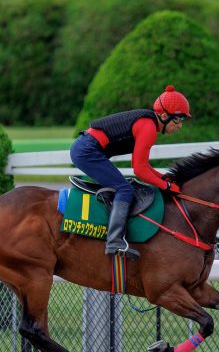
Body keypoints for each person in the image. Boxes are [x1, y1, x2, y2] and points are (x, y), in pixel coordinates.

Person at [70, 85, 191, 258]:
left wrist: (164, 178)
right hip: (87, 150)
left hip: (86, 148)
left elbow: (144, 166)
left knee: (124, 186)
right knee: (124, 189)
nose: (179, 126)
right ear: (164, 116)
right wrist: (165, 185)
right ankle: (114, 241)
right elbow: (140, 170)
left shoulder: (149, 124)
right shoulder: (148, 128)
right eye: (178, 120)